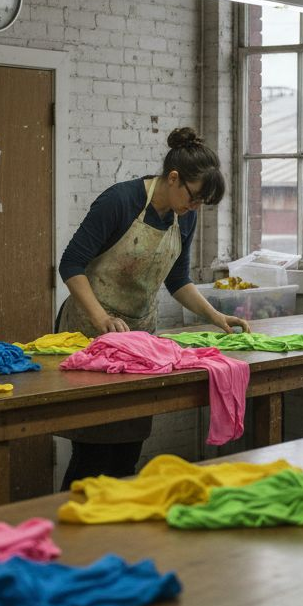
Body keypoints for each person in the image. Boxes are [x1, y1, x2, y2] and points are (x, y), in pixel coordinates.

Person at [55, 127, 250, 488]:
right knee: (93, 455)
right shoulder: (119, 201)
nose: (194, 208)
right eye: (193, 198)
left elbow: (178, 280)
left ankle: (115, 528)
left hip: (139, 343)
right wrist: (102, 320)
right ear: (173, 178)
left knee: (127, 451)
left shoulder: (184, 217)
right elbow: (70, 265)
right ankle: (73, 531)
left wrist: (215, 315)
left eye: (200, 204)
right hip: (89, 335)